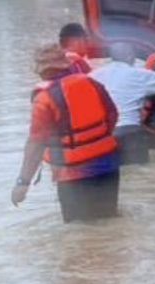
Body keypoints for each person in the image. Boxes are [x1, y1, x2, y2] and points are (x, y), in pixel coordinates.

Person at [12, 45, 122, 223]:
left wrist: (23, 183)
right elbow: (113, 116)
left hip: (73, 174)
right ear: (65, 65)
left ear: (42, 71)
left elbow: (36, 143)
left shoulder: (44, 99)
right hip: (107, 165)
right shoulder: (93, 83)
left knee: (79, 230)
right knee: (109, 222)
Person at [89, 42, 155, 166]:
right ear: (130, 56)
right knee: (140, 175)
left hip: (105, 135)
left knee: (119, 175)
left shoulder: (93, 76)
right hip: (130, 132)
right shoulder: (138, 74)